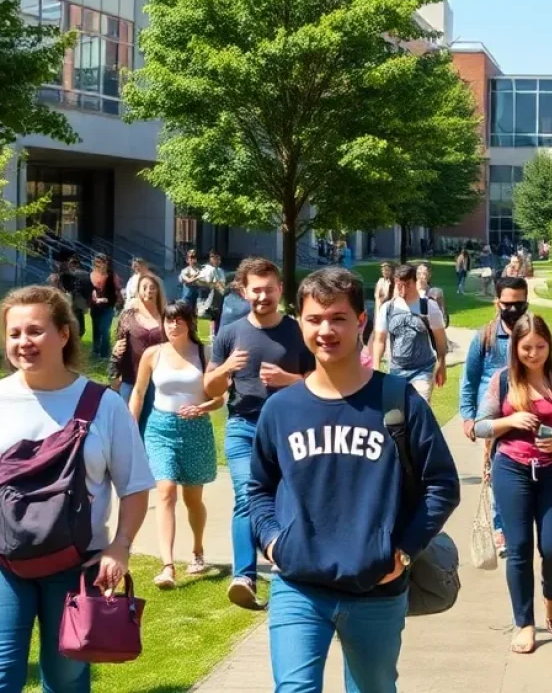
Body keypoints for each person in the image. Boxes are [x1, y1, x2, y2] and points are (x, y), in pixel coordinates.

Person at [249, 267, 459, 693]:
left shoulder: (399, 402)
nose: (326, 330)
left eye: (338, 318)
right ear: (301, 323)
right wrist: (273, 541)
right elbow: (258, 490)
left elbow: (442, 485)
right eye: (314, 319)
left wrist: (400, 551)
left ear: (361, 322)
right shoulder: (282, 409)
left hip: (375, 589)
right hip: (298, 584)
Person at [0, 285, 154, 693]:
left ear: (64, 333)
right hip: (4, 565)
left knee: (66, 680)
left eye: (35, 331)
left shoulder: (104, 404)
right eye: (14, 334)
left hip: (78, 567)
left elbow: (135, 485)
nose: (23, 343)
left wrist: (120, 544)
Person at [475, 312, 552, 655]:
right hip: (512, 468)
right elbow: (480, 425)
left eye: (540, 346)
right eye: (526, 347)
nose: (534, 354)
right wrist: (508, 420)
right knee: (519, 549)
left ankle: (551, 594)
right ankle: (524, 622)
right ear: (515, 347)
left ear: (550, 346)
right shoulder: (503, 380)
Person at [205, 257, 315, 610]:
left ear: (280, 289)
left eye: (269, 289)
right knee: (245, 496)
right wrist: (226, 368)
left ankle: (287, 563)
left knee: (287, 497)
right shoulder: (230, 333)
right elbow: (209, 386)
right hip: (242, 427)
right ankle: (244, 576)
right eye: (256, 290)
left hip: (288, 429)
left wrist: (289, 381)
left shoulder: (298, 331)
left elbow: (324, 382)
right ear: (243, 291)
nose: (263, 296)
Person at [129, 301, 221, 590]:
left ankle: (197, 551)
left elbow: (220, 398)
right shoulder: (152, 354)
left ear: (190, 323)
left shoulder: (204, 353)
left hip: (196, 430)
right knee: (166, 491)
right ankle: (167, 566)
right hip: (160, 429)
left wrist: (203, 408)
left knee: (193, 499)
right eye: (168, 321)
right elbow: (139, 392)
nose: (173, 326)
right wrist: (131, 427)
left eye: (179, 321)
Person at [459, 276, 531, 556]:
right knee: (498, 472)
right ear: (497, 303)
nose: (513, 310)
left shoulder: (534, 333)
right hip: (494, 419)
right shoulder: (485, 336)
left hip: (527, 414)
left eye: (520, 304)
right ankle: (502, 528)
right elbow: (469, 379)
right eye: (508, 304)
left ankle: (520, 521)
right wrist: (468, 417)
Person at [372, 264, 447, 403]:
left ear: (415, 282)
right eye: (399, 285)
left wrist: (441, 363)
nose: (402, 289)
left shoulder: (429, 307)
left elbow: (440, 338)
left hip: (422, 370)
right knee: (396, 416)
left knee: (419, 406)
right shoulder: (387, 308)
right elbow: (379, 340)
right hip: (396, 370)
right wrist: (376, 366)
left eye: (406, 284)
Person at [108, 274, 166, 422]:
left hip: (158, 381)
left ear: (159, 291)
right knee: (127, 422)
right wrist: (115, 368)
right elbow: (119, 345)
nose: (149, 291)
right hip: (130, 378)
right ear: (138, 290)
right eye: (144, 287)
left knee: (152, 423)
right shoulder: (128, 316)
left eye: (153, 287)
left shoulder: (167, 317)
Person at [88, 252, 122, 360]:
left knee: (104, 330)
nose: (98, 265)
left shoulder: (112, 275)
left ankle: (104, 354)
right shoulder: (92, 273)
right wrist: (93, 295)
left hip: (108, 306)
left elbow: (117, 290)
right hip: (95, 307)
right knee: (96, 330)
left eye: (100, 263)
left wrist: (115, 301)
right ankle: (95, 351)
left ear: (105, 263)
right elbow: (91, 289)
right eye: (96, 262)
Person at [196, 250, 227, 334]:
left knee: (218, 325)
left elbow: (222, 286)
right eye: (215, 258)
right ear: (211, 258)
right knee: (203, 327)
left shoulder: (221, 271)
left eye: (219, 259)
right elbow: (198, 282)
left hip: (217, 302)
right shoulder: (205, 269)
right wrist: (212, 284)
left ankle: (216, 340)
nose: (218, 261)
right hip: (205, 300)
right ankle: (203, 343)